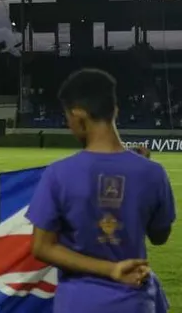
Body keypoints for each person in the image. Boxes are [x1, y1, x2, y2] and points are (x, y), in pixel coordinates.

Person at [26, 68, 175, 312]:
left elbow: (42, 247)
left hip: (79, 302)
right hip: (135, 302)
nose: (69, 125)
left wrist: (110, 270)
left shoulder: (58, 173)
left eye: (68, 118)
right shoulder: (153, 173)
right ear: (115, 110)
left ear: (78, 115)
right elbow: (160, 236)